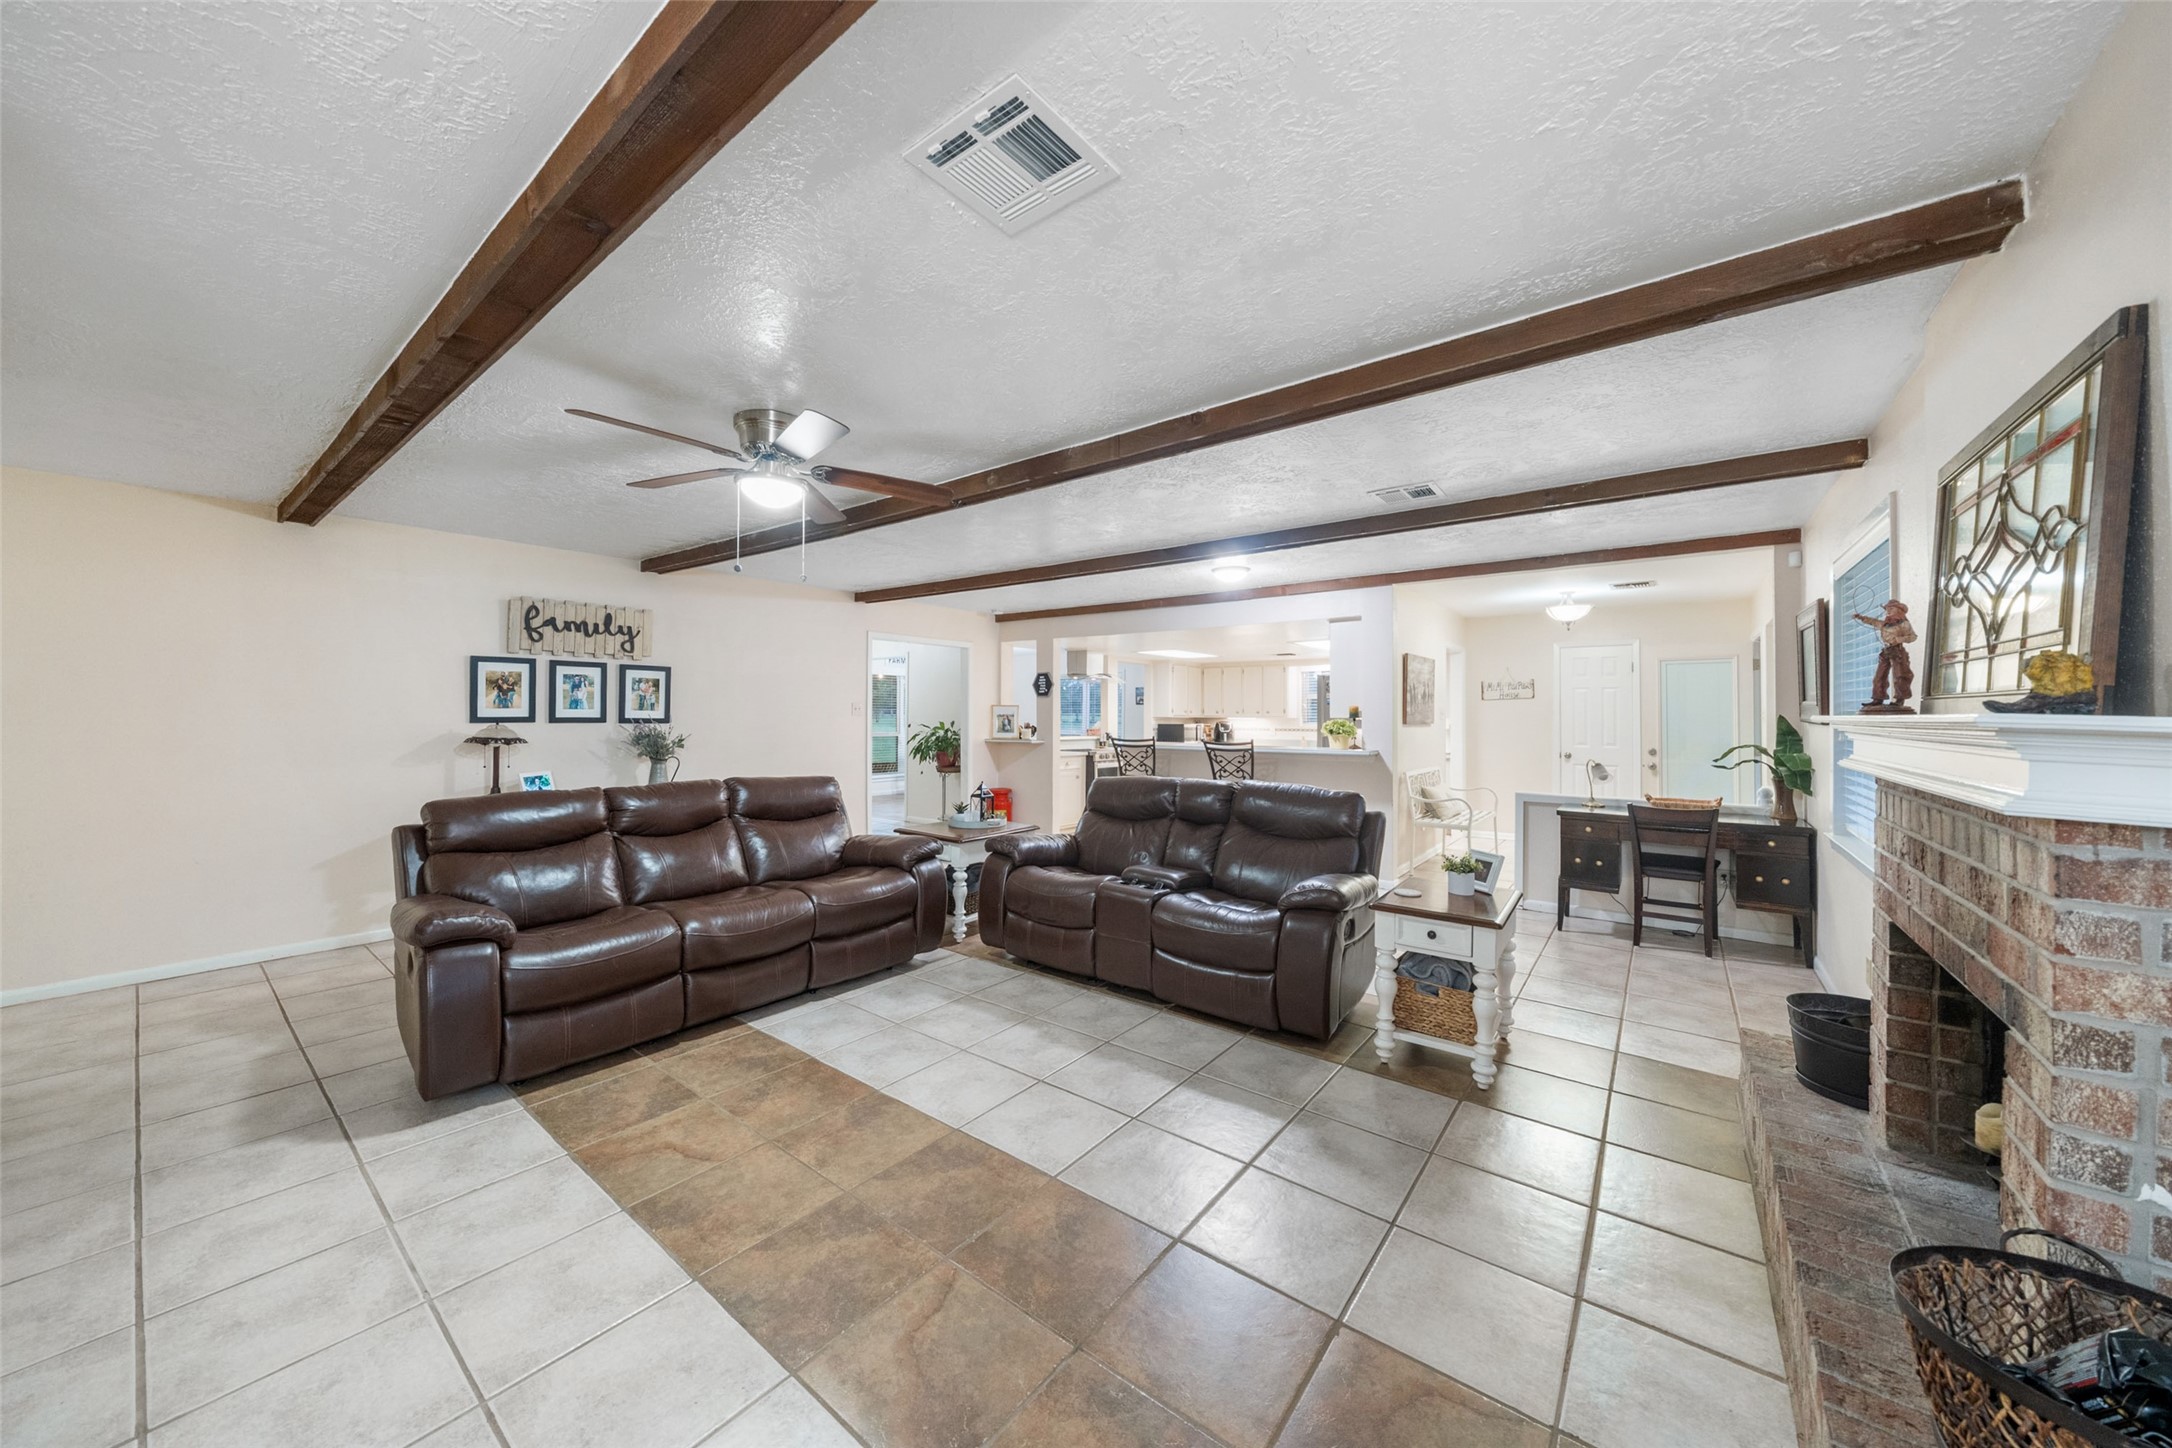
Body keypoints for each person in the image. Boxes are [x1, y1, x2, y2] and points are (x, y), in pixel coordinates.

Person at [1851, 599, 1918, 711]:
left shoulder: (1904, 624)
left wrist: (1900, 639)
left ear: (1898, 610)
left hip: (1897, 651)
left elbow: (1913, 637)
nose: (1888, 611)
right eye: (1887, 609)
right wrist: (1861, 618)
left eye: (1891, 608)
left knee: (1900, 675)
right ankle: (1878, 698)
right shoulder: (1885, 624)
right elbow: (1873, 622)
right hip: (1886, 651)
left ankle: (1900, 699)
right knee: (1880, 675)